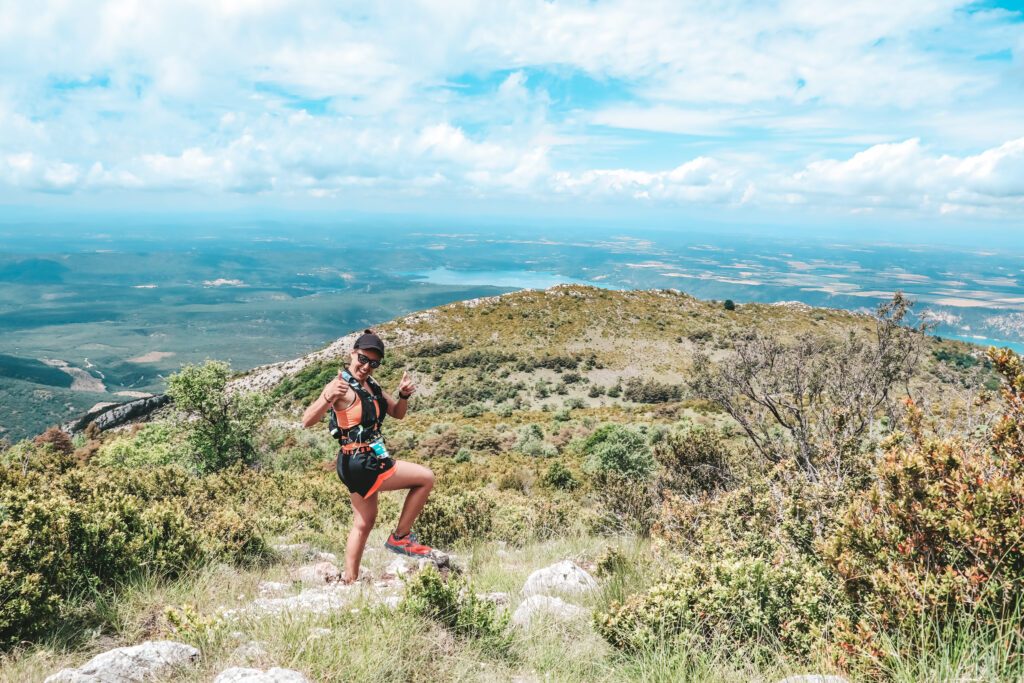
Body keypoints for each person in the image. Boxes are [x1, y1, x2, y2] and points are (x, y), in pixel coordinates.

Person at [301, 329, 436, 582]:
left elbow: (397, 412)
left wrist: (404, 395)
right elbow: (307, 420)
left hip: (357, 461)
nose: (366, 366)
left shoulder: (371, 386)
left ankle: (350, 581)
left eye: (373, 363)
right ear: (353, 353)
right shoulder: (339, 386)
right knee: (425, 478)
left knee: (364, 523)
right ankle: (401, 537)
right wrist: (326, 398)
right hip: (362, 462)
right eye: (362, 359)